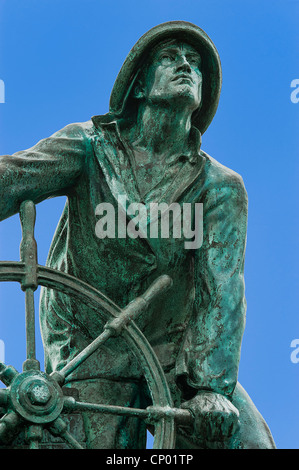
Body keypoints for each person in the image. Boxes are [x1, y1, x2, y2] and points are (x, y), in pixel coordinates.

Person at [0, 21, 276, 449]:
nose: (186, 65)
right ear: (140, 86)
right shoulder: (87, 146)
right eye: (169, 58)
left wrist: (210, 389)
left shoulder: (220, 187)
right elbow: (11, 180)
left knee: (250, 442)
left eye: (195, 63)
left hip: (173, 353)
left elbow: (221, 291)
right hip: (87, 348)